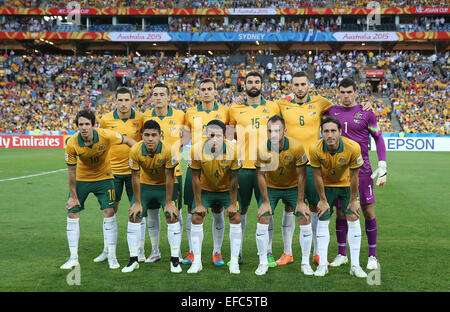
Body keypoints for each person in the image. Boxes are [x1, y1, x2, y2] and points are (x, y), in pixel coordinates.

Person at [276, 71, 372, 266]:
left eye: (303, 84)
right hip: (289, 162)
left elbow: (345, 107)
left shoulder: (321, 102)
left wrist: (366, 105)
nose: (300, 88)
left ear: (308, 85)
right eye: (296, 85)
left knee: (315, 207)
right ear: (291, 87)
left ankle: (318, 252)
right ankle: (287, 252)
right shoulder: (281, 104)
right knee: (289, 207)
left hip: (313, 164)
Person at [61, 108, 137, 270]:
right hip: (82, 179)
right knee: (72, 212)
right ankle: (73, 258)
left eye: (87, 124)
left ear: (93, 125)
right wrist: (73, 196)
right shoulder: (72, 143)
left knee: (109, 212)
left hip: (104, 177)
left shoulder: (106, 135)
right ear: (77, 126)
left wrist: (139, 154)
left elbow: (128, 140)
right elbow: (71, 172)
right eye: (80, 124)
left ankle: (111, 256)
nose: (84, 127)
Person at [325, 78, 386, 270]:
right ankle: (342, 254)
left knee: (367, 211)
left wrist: (382, 164)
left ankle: (372, 256)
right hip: (338, 171)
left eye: (349, 92)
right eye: (342, 92)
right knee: (342, 212)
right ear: (338, 92)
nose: (345, 96)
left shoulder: (366, 112)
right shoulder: (331, 111)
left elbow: (378, 137)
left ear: (355, 92)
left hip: (362, 170)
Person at [229, 71, 280, 267]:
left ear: (262, 85)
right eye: (249, 82)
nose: (253, 85)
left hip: (266, 168)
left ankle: (267, 252)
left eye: (257, 81)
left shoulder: (273, 107)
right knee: (239, 212)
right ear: (244, 85)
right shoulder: (235, 109)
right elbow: (228, 133)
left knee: (266, 210)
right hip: (242, 168)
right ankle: (237, 252)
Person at [309, 117, 367, 278]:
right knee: (323, 220)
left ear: (340, 132)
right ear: (321, 133)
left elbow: (356, 176)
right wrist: (322, 199)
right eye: (326, 131)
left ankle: (355, 265)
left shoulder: (353, 147)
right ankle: (322, 265)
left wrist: (354, 200)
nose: (330, 135)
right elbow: (317, 176)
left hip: (347, 186)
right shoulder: (314, 148)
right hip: (326, 187)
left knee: (353, 218)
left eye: (333, 131)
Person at [254, 115, 311, 276]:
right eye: (270, 130)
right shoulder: (261, 149)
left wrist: (300, 201)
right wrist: (265, 201)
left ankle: (305, 262)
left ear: (284, 131)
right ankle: (263, 261)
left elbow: (302, 175)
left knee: (304, 216)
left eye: (277, 130)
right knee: (263, 216)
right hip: (271, 187)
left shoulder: (297, 147)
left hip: (293, 187)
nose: (273, 134)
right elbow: (260, 175)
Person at [182, 78, 230, 267]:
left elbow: (231, 137)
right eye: (203, 89)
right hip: (195, 167)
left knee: (218, 208)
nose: (207, 92)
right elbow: (185, 139)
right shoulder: (190, 113)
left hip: (218, 168)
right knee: (191, 210)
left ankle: (217, 252)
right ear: (198, 92)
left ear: (216, 92)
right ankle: (193, 251)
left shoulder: (226, 111)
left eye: (210, 89)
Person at [123, 119, 182, 273]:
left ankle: (175, 260)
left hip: (165, 186)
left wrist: (169, 202)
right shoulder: (135, 150)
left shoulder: (169, 150)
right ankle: (133, 259)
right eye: (147, 135)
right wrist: (137, 202)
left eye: (154, 135)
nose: (150, 138)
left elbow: (170, 177)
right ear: (142, 135)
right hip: (145, 186)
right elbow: (135, 177)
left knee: (172, 215)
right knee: (134, 215)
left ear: (160, 136)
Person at [95, 87, 145, 264]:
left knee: (138, 211)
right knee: (109, 211)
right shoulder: (105, 120)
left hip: (135, 172)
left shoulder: (140, 118)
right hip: (112, 173)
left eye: (126, 100)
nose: (123, 104)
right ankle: (107, 250)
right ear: (115, 101)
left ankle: (140, 250)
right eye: (120, 100)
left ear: (132, 100)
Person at [187, 120, 242, 274]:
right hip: (206, 189)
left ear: (224, 136)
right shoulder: (196, 149)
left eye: (218, 135)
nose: (214, 139)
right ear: (206, 135)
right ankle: (197, 262)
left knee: (236, 216)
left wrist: (232, 204)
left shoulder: (233, 149)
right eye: (211, 135)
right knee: (196, 217)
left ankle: (234, 261)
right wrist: (198, 203)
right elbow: (195, 178)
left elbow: (234, 178)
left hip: (226, 190)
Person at [142, 83, 185, 264]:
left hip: (175, 172)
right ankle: (155, 250)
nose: (158, 97)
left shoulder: (180, 115)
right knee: (152, 214)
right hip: (151, 174)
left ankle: (178, 251)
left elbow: (191, 133)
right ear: (151, 97)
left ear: (169, 97)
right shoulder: (146, 116)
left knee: (176, 213)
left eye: (162, 94)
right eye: (155, 94)